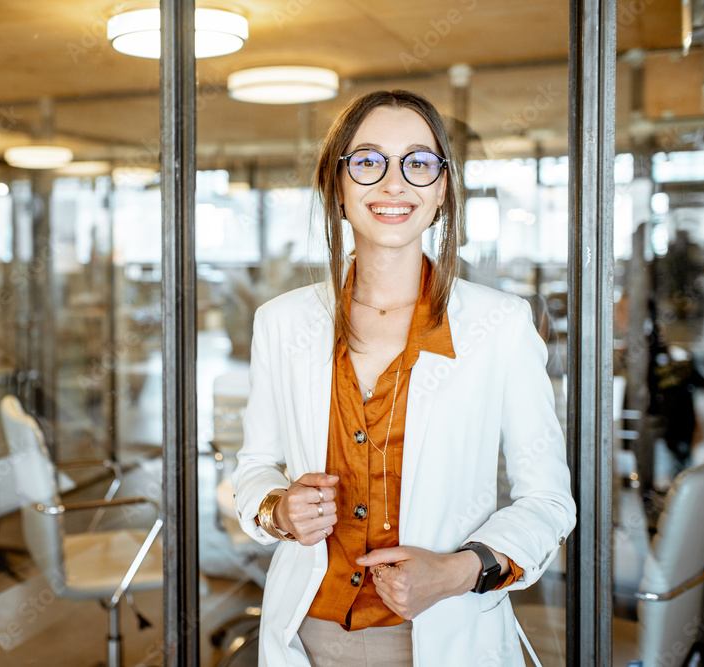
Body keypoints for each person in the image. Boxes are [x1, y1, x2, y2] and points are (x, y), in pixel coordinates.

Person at [231, 90, 576, 666]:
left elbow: (546, 499)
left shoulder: (501, 325)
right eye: (368, 161)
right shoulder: (281, 322)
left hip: (445, 634)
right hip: (307, 633)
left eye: (418, 163)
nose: (394, 184)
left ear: (442, 190)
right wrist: (277, 508)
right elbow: (254, 468)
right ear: (336, 186)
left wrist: (456, 571)